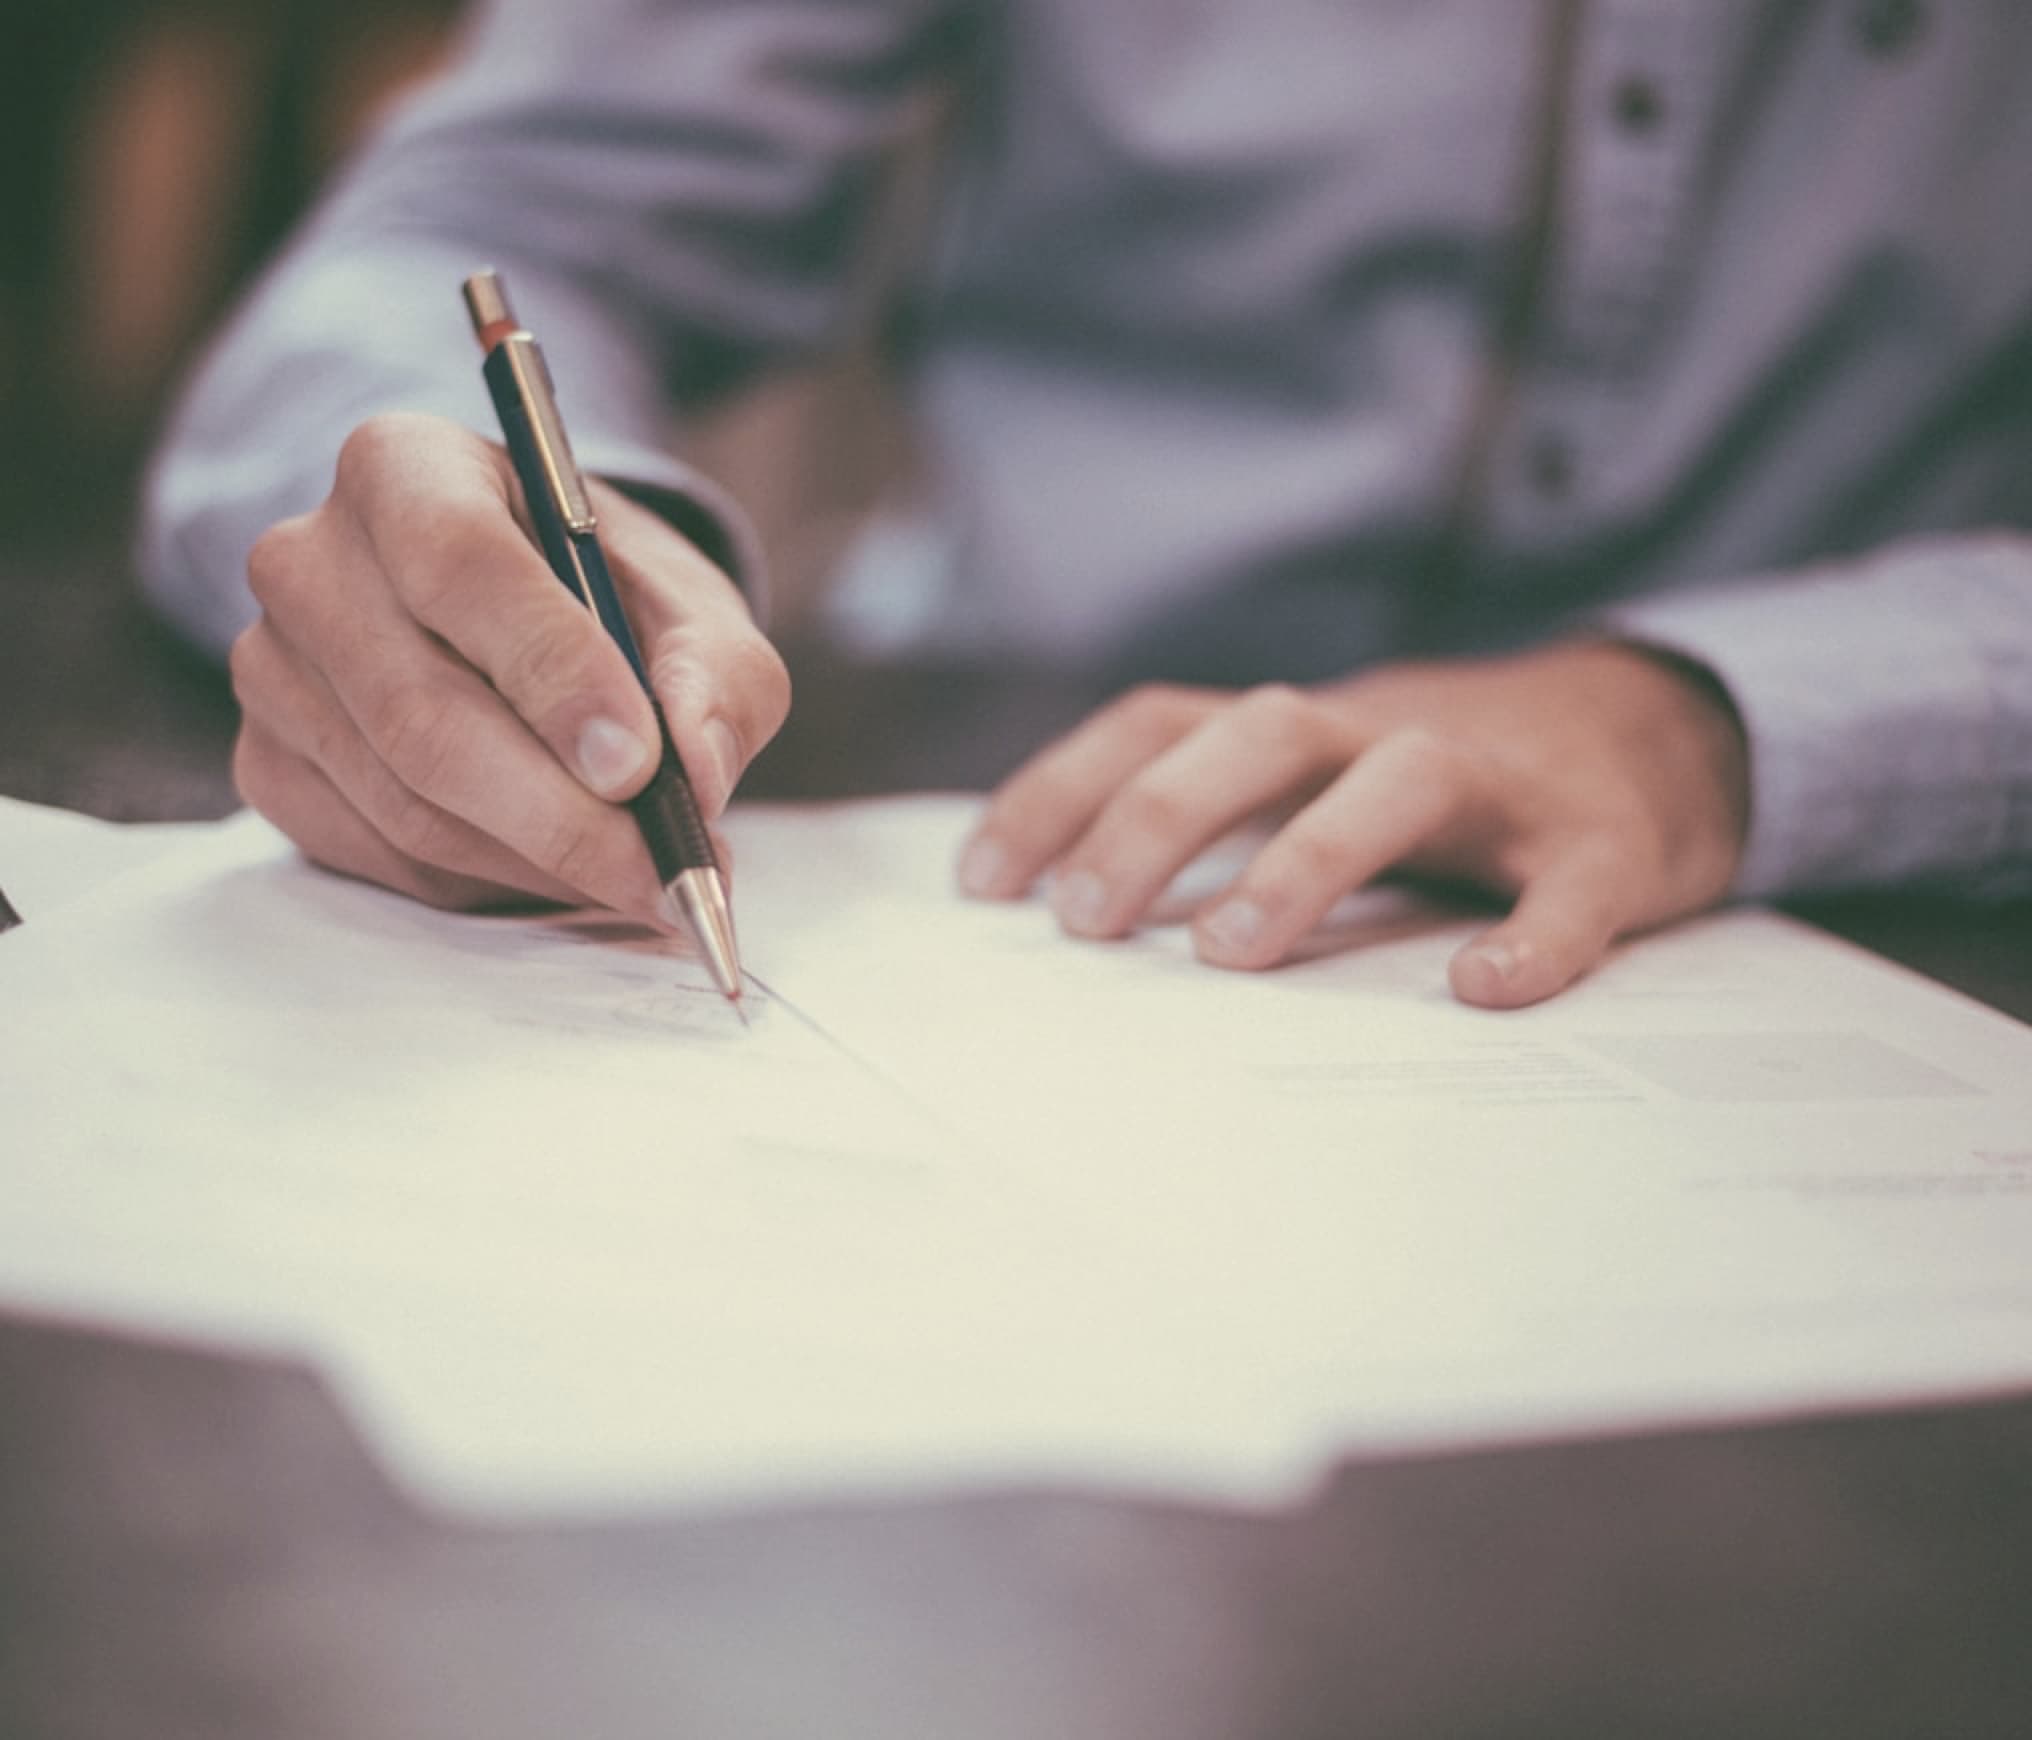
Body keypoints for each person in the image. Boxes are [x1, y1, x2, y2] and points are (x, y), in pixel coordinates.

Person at [140, 0, 2032, 1008]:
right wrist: (497, 559)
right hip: (993, 822)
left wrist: (1713, 716)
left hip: (1864, 909)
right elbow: (491, 226)